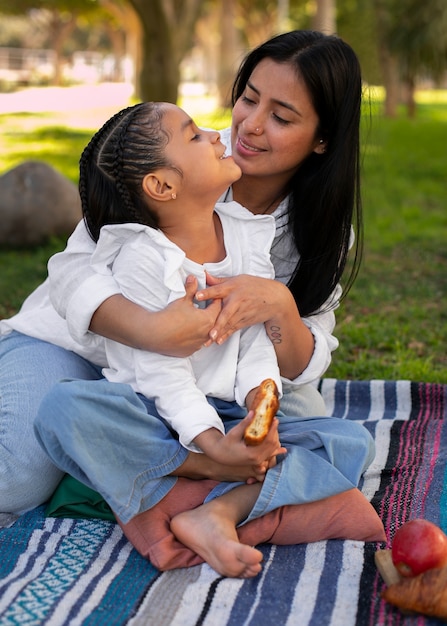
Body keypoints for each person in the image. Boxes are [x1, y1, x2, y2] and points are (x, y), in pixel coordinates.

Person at [0, 30, 385, 568]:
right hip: (84, 349)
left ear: (322, 138)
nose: (248, 124)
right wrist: (150, 331)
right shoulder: (180, 167)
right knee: (13, 481)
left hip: (222, 377)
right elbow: (70, 273)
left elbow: (303, 358)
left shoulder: (317, 229)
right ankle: (182, 472)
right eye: (249, 97)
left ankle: (164, 485)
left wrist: (277, 304)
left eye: (281, 116)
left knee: (340, 441)